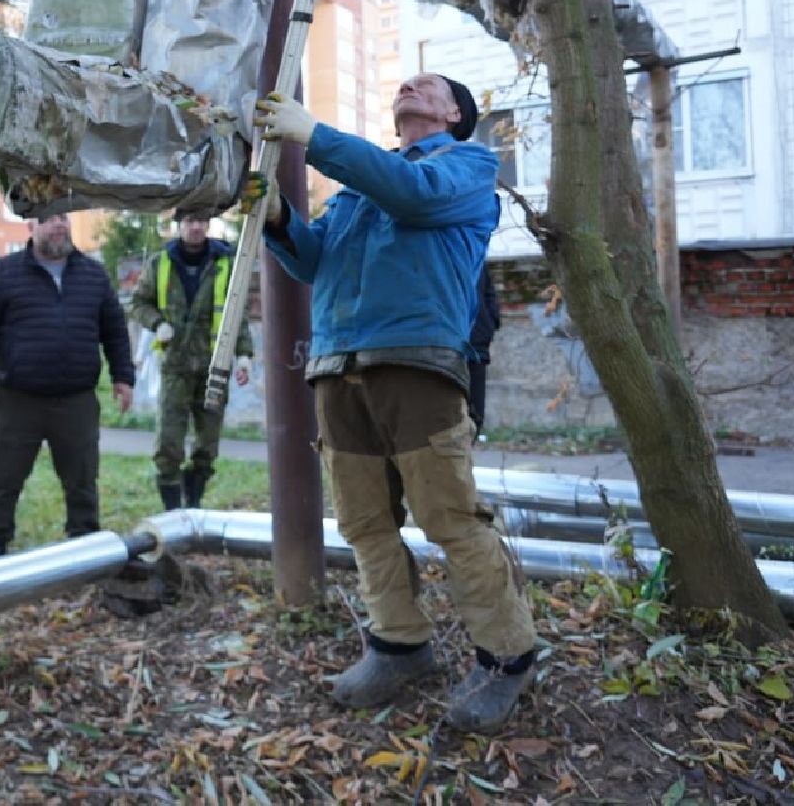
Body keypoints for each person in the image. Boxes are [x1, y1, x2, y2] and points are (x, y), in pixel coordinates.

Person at [248, 72, 538, 734]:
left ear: (454, 112)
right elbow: (314, 260)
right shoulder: (359, 185)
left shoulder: (467, 165)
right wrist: (275, 217)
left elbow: (412, 196)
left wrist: (312, 137)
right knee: (364, 523)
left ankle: (505, 660)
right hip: (336, 365)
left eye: (429, 83)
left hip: (415, 365)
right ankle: (397, 645)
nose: (410, 82)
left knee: (451, 520)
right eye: (408, 80)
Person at [0, 213, 135, 560]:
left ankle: (84, 545)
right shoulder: (5, 273)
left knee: (82, 479)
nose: (59, 225)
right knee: (4, 479)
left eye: (63, 218)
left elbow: (114, 329)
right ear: (31, 228)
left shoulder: (93, 274)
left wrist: (123, 377)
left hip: (76, 399)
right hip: (18, 400)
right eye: (48, 219)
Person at [128, 209, 253, 510]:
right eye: (189, 221)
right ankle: (173, 510)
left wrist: (245, 355)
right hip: (175, 366)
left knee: (207, 445)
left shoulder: (224, 263)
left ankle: (194, 502)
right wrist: (158, 323)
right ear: (178, 226)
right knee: (169, 442)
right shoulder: (161, 263)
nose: (195, 227)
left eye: (200, 221)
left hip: (215, 367)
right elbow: (138, 304)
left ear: (208, 224)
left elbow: (238, 314)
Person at [468, 263, 501, 435]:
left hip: (476, 346)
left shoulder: (477, 259)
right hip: (447, 349)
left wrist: (491, 322)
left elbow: (489, 293)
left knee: (476, 414)